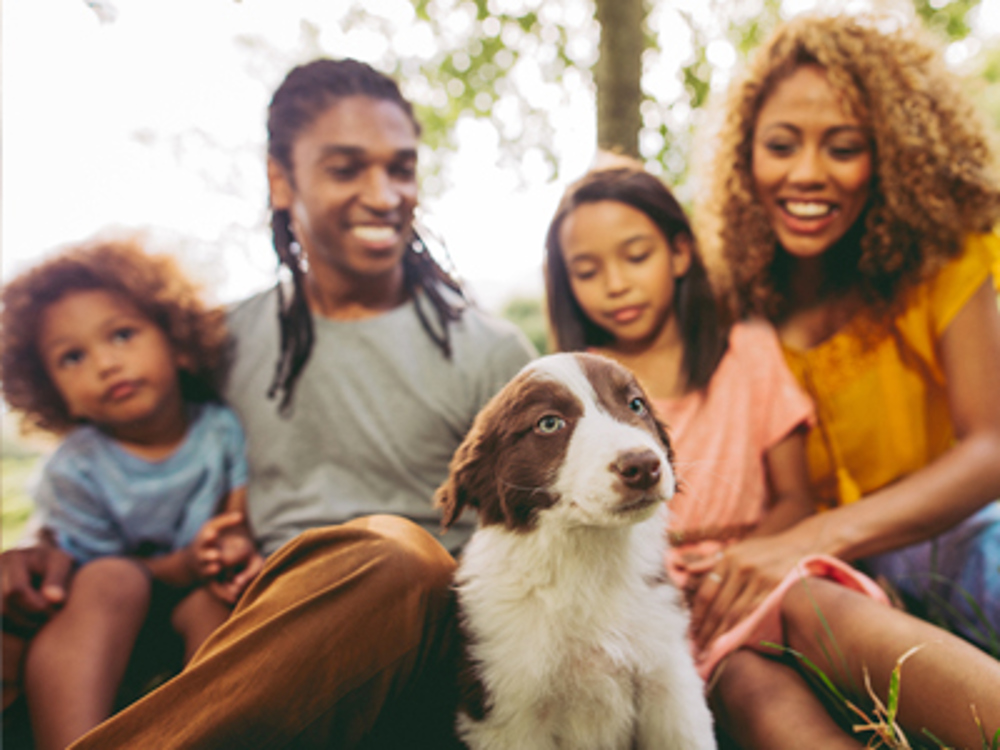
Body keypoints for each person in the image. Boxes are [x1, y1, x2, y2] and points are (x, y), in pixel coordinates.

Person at [19, 57, 533, 749]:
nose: (384, 195)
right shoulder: (223, 343)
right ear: (280, 180)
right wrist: (38, 547)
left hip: (429, 622)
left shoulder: (492, 354)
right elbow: (125, 452)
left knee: (394, 553)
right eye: (347, 169)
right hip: (261, 623)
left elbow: (536, 545)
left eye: (401, 168)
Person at [544, 162, 1000, 748]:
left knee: (826, 609)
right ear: (566, 280)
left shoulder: (747, 351)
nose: (616, 283)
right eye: (588, 270)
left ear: (680, 253)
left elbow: (794, 498)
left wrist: (753, 555)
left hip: (765, 565)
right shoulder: (576, 392)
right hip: (661, 606)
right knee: (755, 692)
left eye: (636, 256)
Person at [691, 10, 1000, 747]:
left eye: (844, 147)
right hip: (826, 586)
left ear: (888, 155)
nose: (807, 174)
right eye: (781, 145)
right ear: (746, 159)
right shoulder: (732, 300)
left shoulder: (944, 257)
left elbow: (991, 447)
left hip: (957, 534)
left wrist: (811, 536)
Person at [0, 237, 261, 749]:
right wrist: (183, 563)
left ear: (177, 343)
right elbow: (76, 580)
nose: (105, 364)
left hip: (196, 595)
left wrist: (227, 546)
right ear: (51, 389)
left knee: (216, 606)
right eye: (72, 357)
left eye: (122, 335)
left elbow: (237, 515)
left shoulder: (219, 429)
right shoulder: (77, 468)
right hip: (108, 615)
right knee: (110, 578)